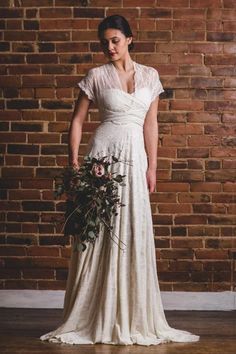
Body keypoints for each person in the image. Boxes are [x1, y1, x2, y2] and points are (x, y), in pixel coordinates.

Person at [40, 14, 200, 346]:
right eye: (104, 42)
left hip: (135, 159)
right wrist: (73, 164)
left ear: (130, 38)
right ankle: (93, 313)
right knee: (98, 233)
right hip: (103, 157)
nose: (109, 47)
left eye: (114, 40)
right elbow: (77, 121)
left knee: (132, 229)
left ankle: (131, 313)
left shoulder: (151, 76)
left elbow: (151, 125)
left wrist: (152, 167)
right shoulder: (96, 76)